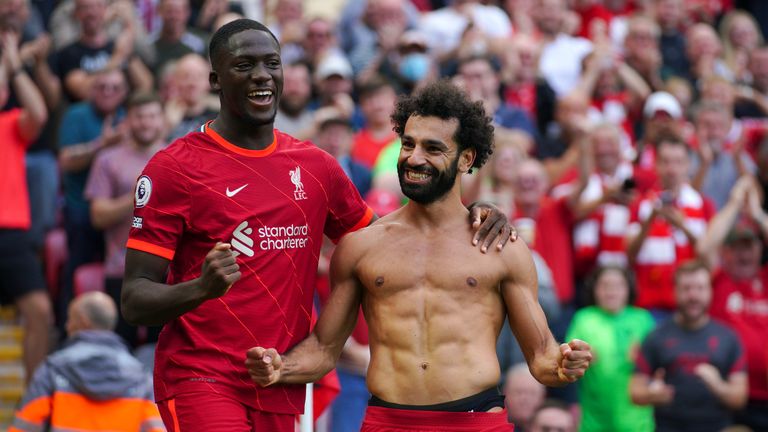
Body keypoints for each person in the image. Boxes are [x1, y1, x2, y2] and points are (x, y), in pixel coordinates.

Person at [122, 19, 513, 432]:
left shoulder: (315, 167)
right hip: (200, 374)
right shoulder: (175, 169)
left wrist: (471, 211)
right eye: (244, 65)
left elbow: (391, 240)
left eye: (271, 63)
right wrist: (200, 288)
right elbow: (134, 300)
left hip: (278, 375)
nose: (261, 75)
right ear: (215, 79)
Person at [245, 80, 591, 432]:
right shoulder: (361, 246)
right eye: (408, 144)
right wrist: (281, 368)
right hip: (387, 421)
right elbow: (323, 349)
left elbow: (541, 357)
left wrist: (564, 364)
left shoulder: (500, 245)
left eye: (432, 148)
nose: (414, 157)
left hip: (475, 421)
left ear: (466, 159)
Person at [10, 292, 165, 432]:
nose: (66, 326)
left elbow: (26, 426)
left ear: (83, 322)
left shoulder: (53, 370)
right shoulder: (140, 376)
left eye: (70, 319)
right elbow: (156, 428)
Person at [84, 92, 166, 349]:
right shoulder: (107, 160)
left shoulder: (178, 156)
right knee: (120, 348)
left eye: (152, 116)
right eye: (139, 117)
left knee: (165, 351)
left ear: (162, 120)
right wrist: (136, 197)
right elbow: (98, 216)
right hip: (122, 269)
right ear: (128, 120)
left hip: (170, 272)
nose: (146, 122)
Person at [630, 260, 748, 432]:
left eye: (700, 288)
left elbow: (740, 398)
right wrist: (653, 394)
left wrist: (718, 386)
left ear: (710, 291)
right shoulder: (656, 336)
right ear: (675, 291)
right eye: (686, 288)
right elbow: (635, 392)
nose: (693, 296)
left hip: (716, 426)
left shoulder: (728, 337)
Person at [0, 29, 52, 383]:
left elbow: (39, 113)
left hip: (10, 232)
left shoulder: (9, 124)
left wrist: (15, 65)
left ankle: (33, 402)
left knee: (40, 311)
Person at [566, 266, 655, 432]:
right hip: (594, 418)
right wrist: (582, 358)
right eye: (604, 285)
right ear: (594, 289)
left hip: (637, 420)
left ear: (629, 288)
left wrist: (643, 359)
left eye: (618, 285)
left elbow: (658, 361)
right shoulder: (584, 318)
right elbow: (567, 360)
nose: (611, 290)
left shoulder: (643, 319)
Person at [503, 364, 546, 432]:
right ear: (505, 394)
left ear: (542, 397)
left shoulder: (554, 426)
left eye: (532, 393)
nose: (525, 399)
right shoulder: (492, 426)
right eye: (518, 392)